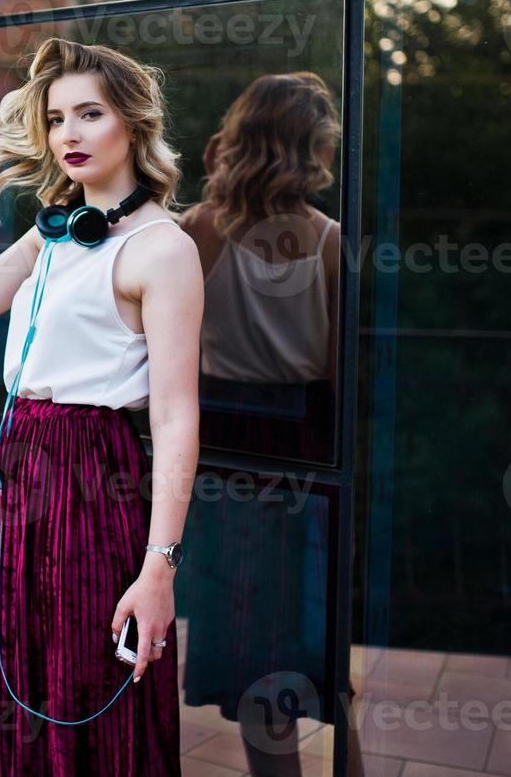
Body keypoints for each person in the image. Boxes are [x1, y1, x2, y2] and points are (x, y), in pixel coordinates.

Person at [0, 37, 204, 776]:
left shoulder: (161, 249)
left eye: (88, 114)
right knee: (24, 678)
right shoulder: (53, 235)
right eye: (54, 119)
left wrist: (159, 568)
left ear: (132, 125)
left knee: (90, 682)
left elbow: (175, 417)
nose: (68, 134)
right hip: (26, 477)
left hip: (94, 472)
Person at [176, 71, 360, 776]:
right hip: (306, 440)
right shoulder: (330, 239)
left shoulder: (195, 230)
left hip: (225, 440)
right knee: (312, 624)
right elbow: (342, 377)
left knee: (250, 627)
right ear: (307, 149)